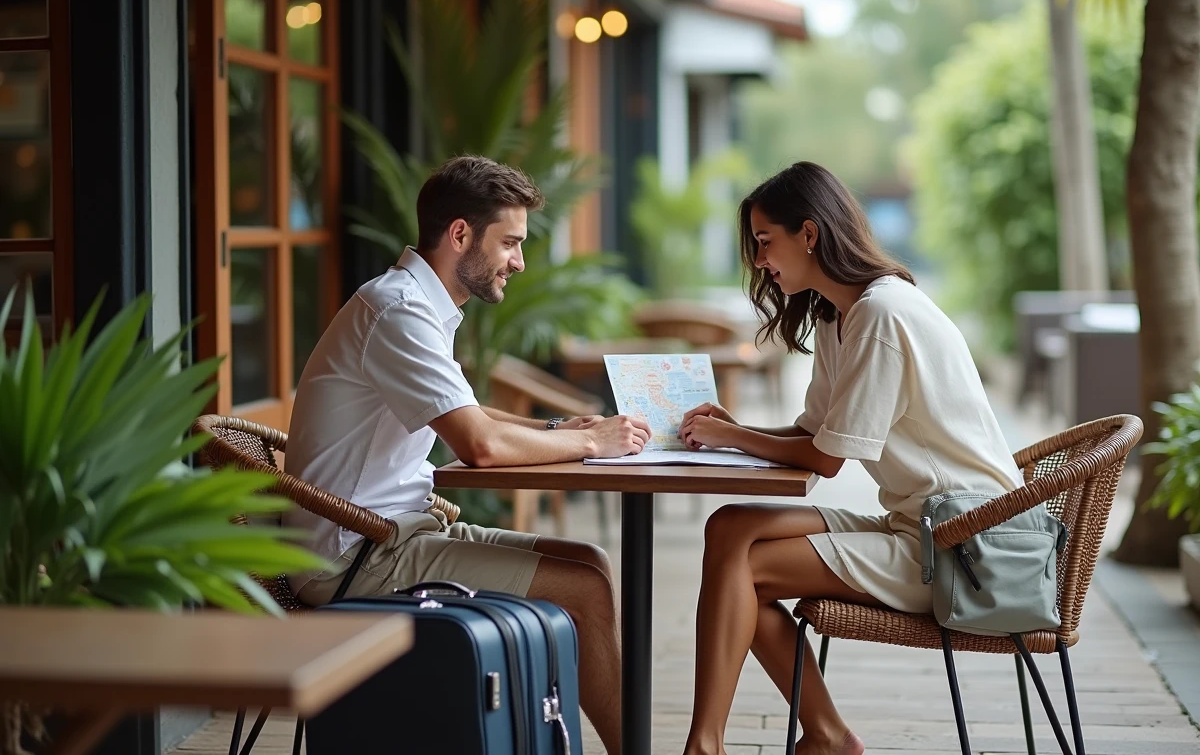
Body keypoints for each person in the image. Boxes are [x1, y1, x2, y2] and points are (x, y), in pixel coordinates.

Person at [283, 154, 650, 754]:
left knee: (591, 563)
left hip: (395, 535)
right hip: (353, 557)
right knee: (580, 589)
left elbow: (468, 411)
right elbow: (478, 445)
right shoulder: (398, 310)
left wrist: (557, 425)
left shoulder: (420, 304)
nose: (519, 261)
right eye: (510, 243)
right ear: (460, 235)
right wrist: (591, 442)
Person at [675, 162, 1023, 755]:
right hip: (921, 525)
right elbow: (812, 431)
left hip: (967, 546)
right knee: (728, 528)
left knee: (745, 570)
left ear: (809, 234)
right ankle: (824, 735)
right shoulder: (842, 315)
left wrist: (732, 440)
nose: (759, 261)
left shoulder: (882, 314)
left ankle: (710, 744)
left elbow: (824, 460)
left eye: (765, 241)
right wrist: (736, 428)